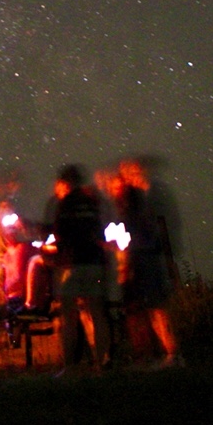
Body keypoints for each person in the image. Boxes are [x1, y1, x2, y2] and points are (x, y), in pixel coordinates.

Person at [119, 157, 182, 367]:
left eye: (129, 172)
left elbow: (160, 225)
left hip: (150, 256)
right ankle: (167, 354)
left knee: (158, 307)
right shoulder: (143, 196)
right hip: (147, 254)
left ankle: (172, 353)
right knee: (153, 307)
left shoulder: (152, 194)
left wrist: (168, 256)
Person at [52, 163, 111, 369]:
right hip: (94, 261)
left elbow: (60, 234)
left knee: (68, 315)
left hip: (73, 263)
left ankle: (69, 366)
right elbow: (99, 231)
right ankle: (101, 362)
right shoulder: (92, 203)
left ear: (65, 183)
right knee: (97, 311)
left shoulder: (65, 203)